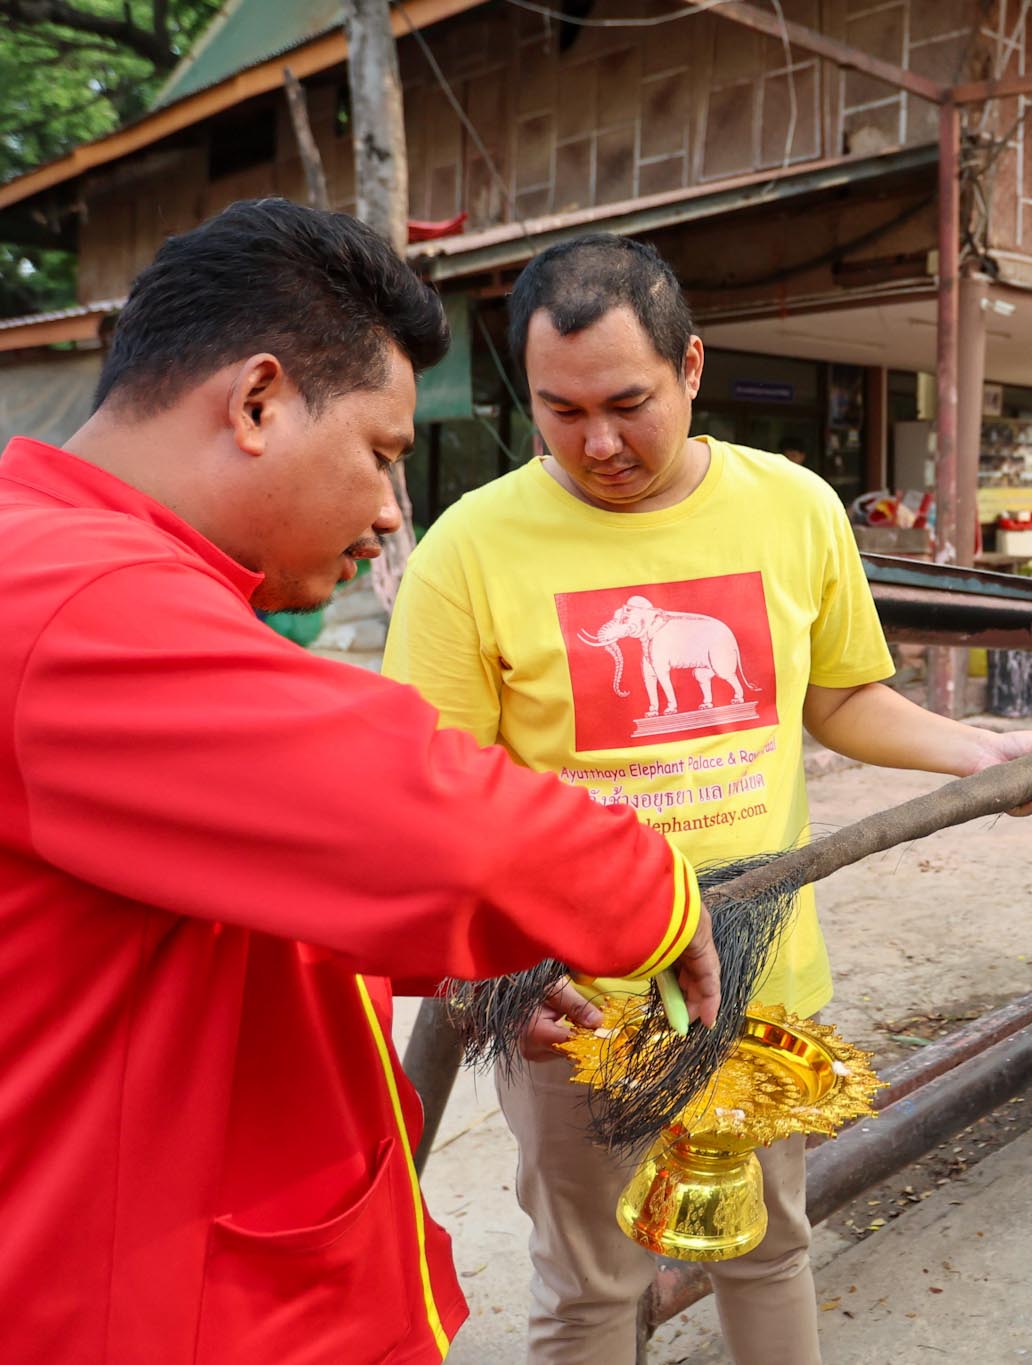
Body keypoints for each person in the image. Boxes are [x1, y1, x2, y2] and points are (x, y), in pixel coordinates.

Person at [0, 200, 721, 1361]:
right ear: (256, 402)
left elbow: (201, 900)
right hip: (162, 1305)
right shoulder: (70, 599)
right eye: (382, 456)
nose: (392, 513)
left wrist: (474, 961)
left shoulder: (80, 567)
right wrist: (655, 899)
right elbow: (433, 819)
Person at [383, 233, 1032, 1365]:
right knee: (588, 1284)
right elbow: (431, 792)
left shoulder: (793, 507)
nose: (598, 443)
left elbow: (845, 699)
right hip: (576, 1003)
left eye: (628, 403)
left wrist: (981, 755)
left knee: (765, 1248)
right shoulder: (469, 549)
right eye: (561, 413)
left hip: (757, 983)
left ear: (692, 369)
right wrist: (502, 964)